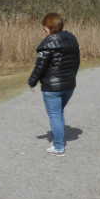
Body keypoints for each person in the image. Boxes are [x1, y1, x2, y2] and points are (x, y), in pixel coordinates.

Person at [28, 13, 80, 156]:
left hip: (52, 88)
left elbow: (40, 67)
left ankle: (58, 147)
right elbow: (76, 63)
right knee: (59, 112)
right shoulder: (72, 40)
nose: (43, 30)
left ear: (48, 27)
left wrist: (32, 81)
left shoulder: (47, 44)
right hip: (69, 85)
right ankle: (59, 140)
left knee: (55, 114)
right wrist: (71, 78)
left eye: (44, 27)